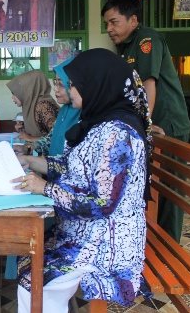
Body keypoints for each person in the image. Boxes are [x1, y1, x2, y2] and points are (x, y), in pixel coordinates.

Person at [13, 48, 151, 312]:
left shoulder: (118, 134)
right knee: (30, 254)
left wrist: (45, 188)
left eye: (75, 84)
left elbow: (102, 203)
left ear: (95, 84)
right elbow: (73, 166)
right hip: (83, 229)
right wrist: (31, 162)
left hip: (106, 240)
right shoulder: (99, 123)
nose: (70, 89)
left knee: (36, 282)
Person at [102, 0, 190, 243]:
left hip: (168, 122)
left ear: (133, 19)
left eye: (114, 22)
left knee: (171, 192)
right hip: (151, 125)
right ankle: (150, 240)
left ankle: (168, 246)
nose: (109, 28)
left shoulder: (146, 39)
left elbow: (148, 84)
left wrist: (145, 124)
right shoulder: (124, 47)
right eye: (107, 23)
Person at [13, 58, 81, 157]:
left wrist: (31, 142)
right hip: (52, 168)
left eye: (61, 84)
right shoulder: (64, 110)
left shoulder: (86, 116)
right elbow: (51, 140)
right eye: (55, 83)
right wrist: (28, 148)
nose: (55, 89)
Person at [6, 70, 59, 143]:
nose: (13, 97)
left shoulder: (44, 106)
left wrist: (31, 138)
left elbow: (58, 139)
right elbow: (43, 130)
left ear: (28, 91)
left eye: (15, 93)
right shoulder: (31, 104)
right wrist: (24, 129)